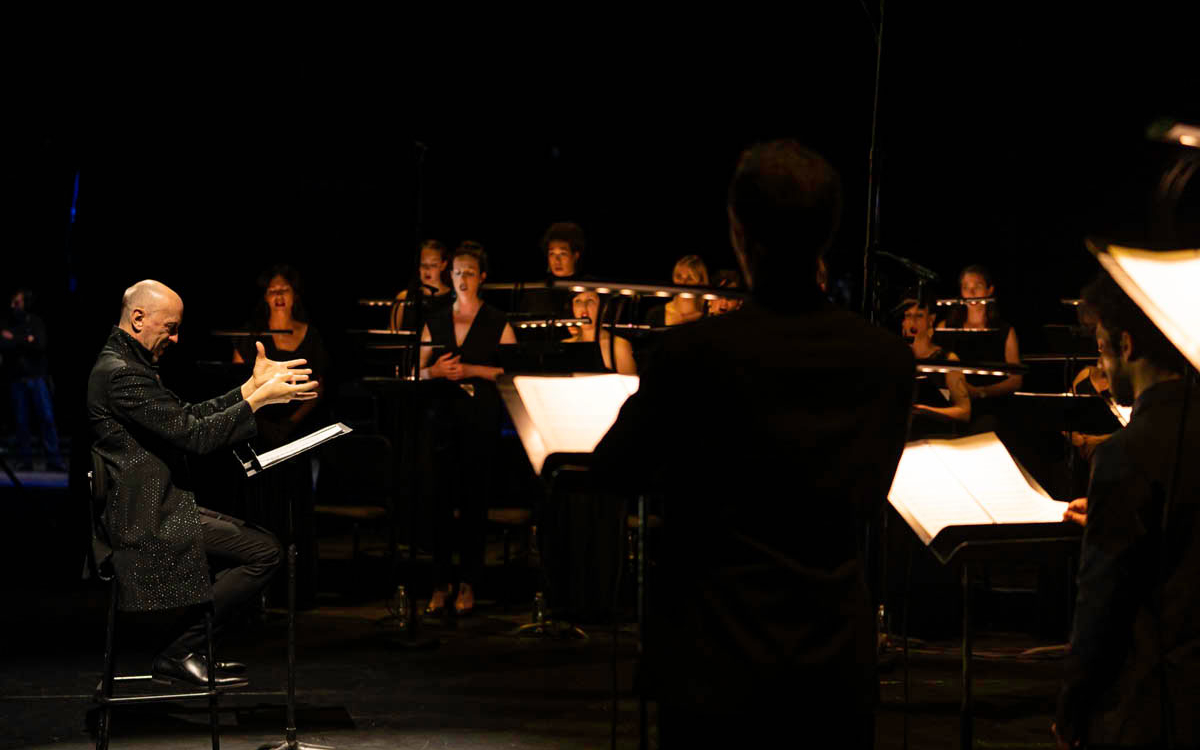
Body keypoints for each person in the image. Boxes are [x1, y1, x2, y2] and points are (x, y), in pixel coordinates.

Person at [592, 139, 914, 747]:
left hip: (713, 660)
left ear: (738, 232)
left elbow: (614, 471)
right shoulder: (887, 360)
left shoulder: (692, 355)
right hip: (833, 662)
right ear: (829, 233)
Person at [88, 280, 318, 688]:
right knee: (263, 552)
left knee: (260, 544)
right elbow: (194, 436)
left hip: (160, 505)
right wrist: (259, 401)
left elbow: (186, 417)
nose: (176, 338)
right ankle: (179, 652)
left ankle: (187, 649)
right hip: (144, 518)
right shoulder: (122, 375)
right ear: (138, 318)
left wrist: (248, 389)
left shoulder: (128, 364)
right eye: (170, 327)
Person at [1053, 272, 1199, 749]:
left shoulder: (1123, 454)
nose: (1101, 364)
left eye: (1101, 350)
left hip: (1155, 705)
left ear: (1128, 346)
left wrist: (1071, 709)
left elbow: (1102, 606)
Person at [419, 244, 517, 616]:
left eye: (469, 272)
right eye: (457, 272)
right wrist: (436, 373)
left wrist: (473, 371)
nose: (461, 279)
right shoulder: (437, 318)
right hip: (443, 419)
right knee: (439, 504)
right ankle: (440, 583)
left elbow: (511, 371)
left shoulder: (496, 320)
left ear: (482, 278)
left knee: (474, 503)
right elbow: (417, 370)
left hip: (480, 419)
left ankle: (469, 583)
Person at [232, 265, 329, 608]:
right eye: (272, 290)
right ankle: (260, 592)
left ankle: (298, 591)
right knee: (262, 510)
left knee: (296, 510)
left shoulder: (310, 335)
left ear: (295, 295)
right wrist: (264, 423)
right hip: (260, 432)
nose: (278, 296)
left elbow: (318, 388)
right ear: (265, 296)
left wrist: (290, 425)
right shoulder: (252, 335)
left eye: (284, 289)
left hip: (296, 433)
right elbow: (239, 386)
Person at [1, 288, 64, 471]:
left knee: (46, 418)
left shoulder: (36, 322)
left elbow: (39, 344)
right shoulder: (8, 322)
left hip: (37, 378)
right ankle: (25, 459)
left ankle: (53, 459)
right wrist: (25, 339)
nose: (13, 306)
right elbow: (4, 343)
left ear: (26, 303)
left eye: (17, 302)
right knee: (21, 422)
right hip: (17, 378)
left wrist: (15, 339)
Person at [902, 296, 971, 438]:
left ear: (931, 319)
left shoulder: (947, 359)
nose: (912, 321)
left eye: (919, 315)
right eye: (908, 315)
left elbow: (964, 412)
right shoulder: (898, 356)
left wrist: (925, 410)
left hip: (938, 435)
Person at [562, 290, 636, 375]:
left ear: (603, 307)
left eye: (590, 300)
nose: (583, 306)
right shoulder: (566, 344)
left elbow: (629, 385)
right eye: (577, 301)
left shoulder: (618, 345)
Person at [391, 239, 454, 333]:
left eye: (433, 265)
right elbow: (393, 337)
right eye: (423, 264)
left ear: (443, 265)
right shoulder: (404, 297)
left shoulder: (453, 299)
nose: (427, 269)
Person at [644, 255, 709, 327]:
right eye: (679, 277)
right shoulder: (655, 314)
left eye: (690, 278)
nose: (683, 283)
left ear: (701, 282)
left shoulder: (709, 316)